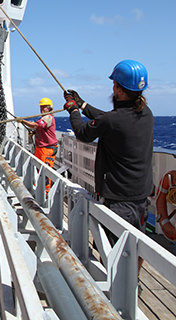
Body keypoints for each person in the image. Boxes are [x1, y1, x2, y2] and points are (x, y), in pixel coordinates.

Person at [64, 59, 153, 253]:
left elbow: (82, 132)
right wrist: (83, 104)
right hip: (140, 197)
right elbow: (108, 119)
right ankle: (133, 281)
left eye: (114, 85)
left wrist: (73, 109)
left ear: (119, 89)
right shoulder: (146, 114)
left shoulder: (113, 120)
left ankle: (116, 284)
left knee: (114, 254)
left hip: (119, 200)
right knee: (136, 249)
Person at [19, 98, 57, 194]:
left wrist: (23, 121)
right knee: (38, 170)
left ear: (49, 108)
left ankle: (46, 194)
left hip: (47, 149)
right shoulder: (43, 118)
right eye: (41, 107)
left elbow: (36, 125)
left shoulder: (48, 118)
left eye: (44, 107)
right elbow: (38, 128)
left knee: (45, 172)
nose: (42, 109)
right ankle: (39, 190)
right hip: (40, 148)